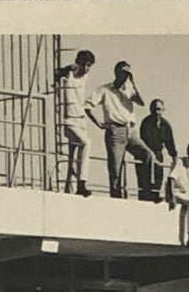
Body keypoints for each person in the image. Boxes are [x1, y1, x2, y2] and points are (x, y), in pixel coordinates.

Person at [92, 61, 153, 199]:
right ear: (116, 72)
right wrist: (99, 124)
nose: (124, 76)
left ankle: (146, 192)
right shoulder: (105, 89)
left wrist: (133, 81)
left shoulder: (129, 90)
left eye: (127, 73)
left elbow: (141, 102)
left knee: (148, 155)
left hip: (130, 130)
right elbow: (87, 105)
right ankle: (116, 196)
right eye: (123, 73)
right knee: (115, 169)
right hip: (115, 131)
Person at [55, 49, 97, 196]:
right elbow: (57, 72)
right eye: (86, 65)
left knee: (73, 157)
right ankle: (82, 182)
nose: (87, 69)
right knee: (86, 143)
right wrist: (69, 68)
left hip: (81, 120)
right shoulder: (69, 76)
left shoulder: (84, 77)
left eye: (89, 66)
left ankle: (70, 188)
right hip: (69, 120)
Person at [138, 98, 178, 203]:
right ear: (151, 110)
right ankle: (144, 198)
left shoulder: (165, 125)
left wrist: (174, 158)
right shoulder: (146, 122)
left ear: (163, 110)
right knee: (144, 180)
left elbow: (170, 142)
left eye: (159, 109)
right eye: (155, 109)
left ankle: (155, 196)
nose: (157, 112)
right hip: (145, 153)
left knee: (158, 177)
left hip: (158, 154)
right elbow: (143, 140)